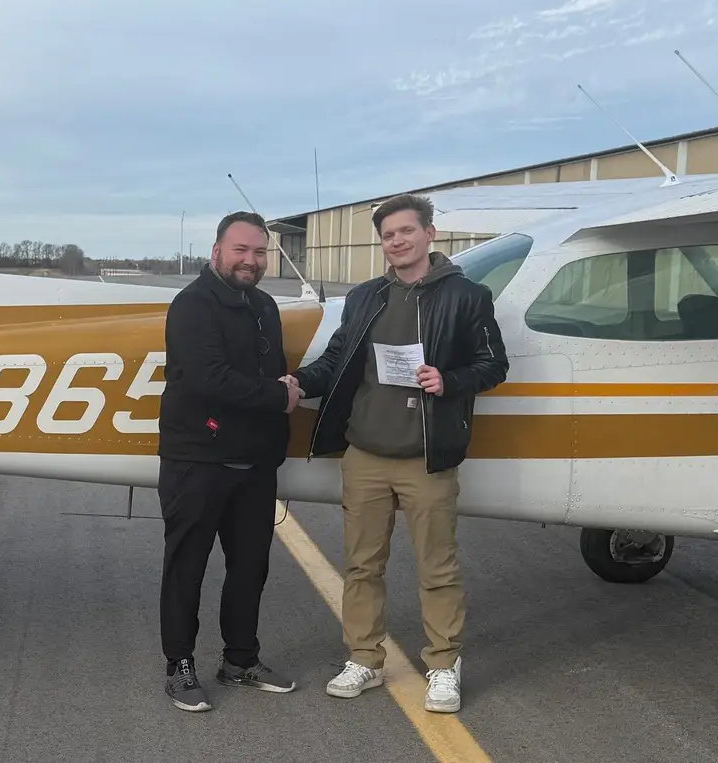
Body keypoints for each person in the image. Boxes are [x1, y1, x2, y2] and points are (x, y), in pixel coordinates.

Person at [283, 192, 507, 714]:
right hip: (365, 455)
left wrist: (448, 380)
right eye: (388, 235)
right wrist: (298, 383)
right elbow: (338, 360)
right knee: (362, 566)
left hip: (427, 457)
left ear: (430, 234)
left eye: (407, 231)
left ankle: (444, 666)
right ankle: (364, 658)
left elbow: (493, 364)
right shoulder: (365, 297)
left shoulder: (468, 297)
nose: (397, 242)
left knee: (438, 568)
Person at [155, 210, 303, 713]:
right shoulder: (192, 305)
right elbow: (206, 378)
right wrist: (278, 396)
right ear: (216, 251)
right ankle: (179, 665)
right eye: (241, 249)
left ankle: (240, 659)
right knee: (186, 568)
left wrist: (282, 395)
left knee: (249, 569)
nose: (251, 260)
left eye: (260, 252)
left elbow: (271, 373)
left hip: (253, 466)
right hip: (197, 461)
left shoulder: (264, 305)